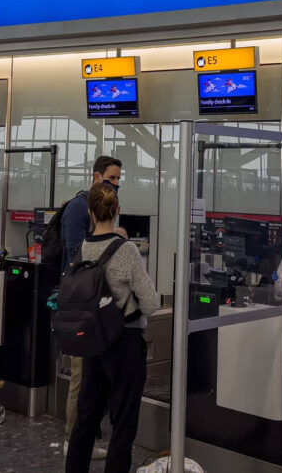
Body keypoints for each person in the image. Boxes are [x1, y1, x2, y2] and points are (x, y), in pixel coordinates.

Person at [65, 183, 159, 473]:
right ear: (117, 211)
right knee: (123, 424)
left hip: (93, 342)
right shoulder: (127, 250)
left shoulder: (83, 247)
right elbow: (151, 303)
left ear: (91, 213)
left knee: (86, 418)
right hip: (124, 343)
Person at [62, 156, 123, 456]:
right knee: (80, 375)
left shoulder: (105, 211)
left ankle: (85, 436)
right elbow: (77, 254)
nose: (115, 184)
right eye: (111, 178)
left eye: (118, 179)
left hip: (100, 303)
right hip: (80, 305)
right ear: (97, 176)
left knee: (95, 376)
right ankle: (72, 440)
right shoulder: (77, 208)